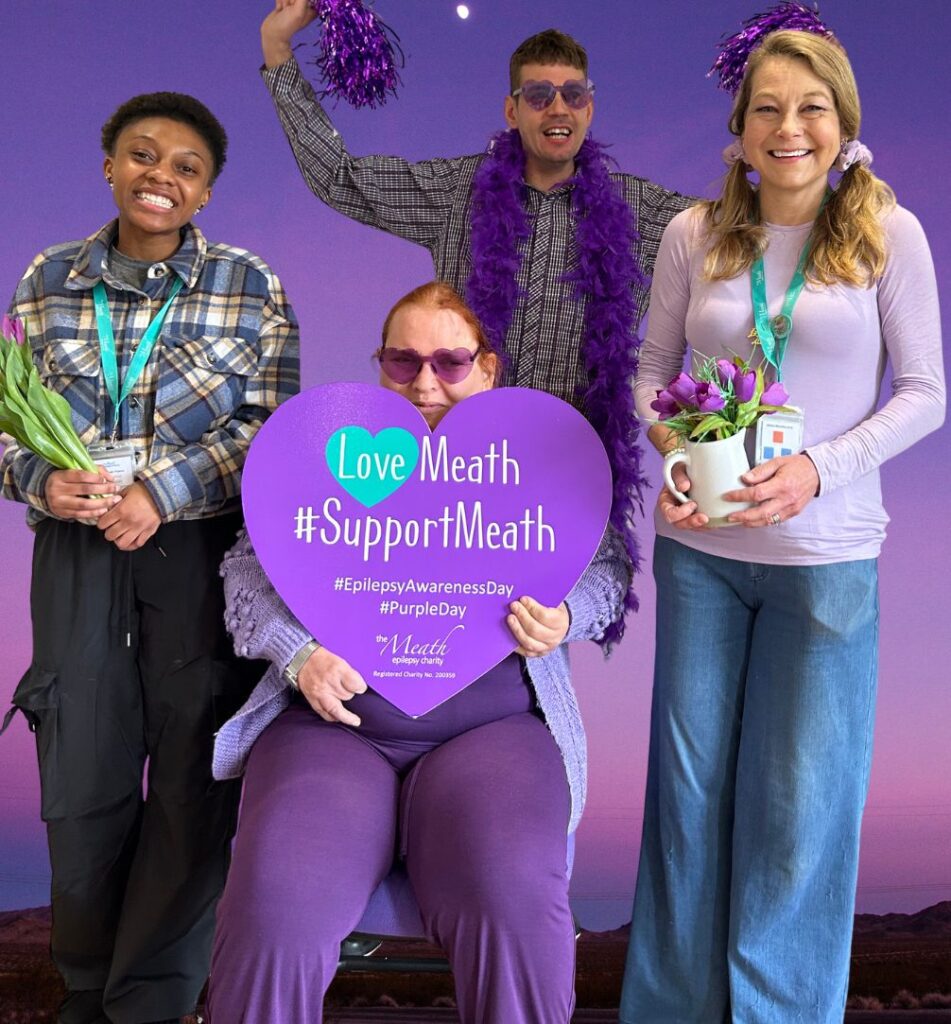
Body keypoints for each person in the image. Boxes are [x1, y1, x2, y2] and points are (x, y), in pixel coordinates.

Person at [619, 27, 944, 1024]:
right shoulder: (693, 235)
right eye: (768, 106)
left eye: (811, 107)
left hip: (825, 562)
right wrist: (674, 453)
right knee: (688, 806)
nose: (789, 126)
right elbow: (647, 375)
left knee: (799, 815)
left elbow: (928, 393)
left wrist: (817, 469)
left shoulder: (891, 234)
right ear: (740, 126)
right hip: (702, 557)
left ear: (843, 123)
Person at [206, 282, 631, 1024]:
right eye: (402, 363)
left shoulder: (542, 468)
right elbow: (247, 566)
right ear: (380, 368)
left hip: (491, 733)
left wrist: (566, 615)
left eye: (449, 362)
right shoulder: (323, 457)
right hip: (330, 728)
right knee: (275, 897)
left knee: (516, 898)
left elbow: (606, 571)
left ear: (489, 368)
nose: (426, 382)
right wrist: (297, 652)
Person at [0, 92, 299, 1024]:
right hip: (75, 552)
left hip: (197, 550)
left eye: (185, 168)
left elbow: (270, 430)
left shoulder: (250, 284)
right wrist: (37, 483)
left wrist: (160, 493)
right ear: (108, 165)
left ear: (205, 193)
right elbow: (5, 421)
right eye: (141, 155)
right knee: (79, 769)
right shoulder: (49, 278)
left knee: (190, 775)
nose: (159, 177)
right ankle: (86, 993)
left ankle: (154, 1004)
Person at [258, 0, 694, 623]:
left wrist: (767, 167)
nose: (558, 107)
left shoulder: (634, 207)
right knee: (439, 615)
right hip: (458, 464)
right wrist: (278, 46)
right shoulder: (456, 192)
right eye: (539, 94)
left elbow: (731, 234)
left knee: (539, 632)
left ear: (590, 109)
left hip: (565, 473)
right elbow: (343, 180)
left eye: (573, 93)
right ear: (512, 110)